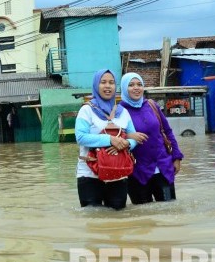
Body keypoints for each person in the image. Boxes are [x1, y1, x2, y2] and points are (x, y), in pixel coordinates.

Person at [74, 69, 138, 210]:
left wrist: (126, 144)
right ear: (96, 85)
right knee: (93, 218)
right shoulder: (86, 110)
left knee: (118, 219)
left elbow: (133, 138)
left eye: (111, 82)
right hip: (89, 174)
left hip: (118, 174)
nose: (107, 86)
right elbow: (80, 137)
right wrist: (110, 140)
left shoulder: (123, 112)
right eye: (103, 82)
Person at [120, 72, 183, 204]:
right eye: (131, 85)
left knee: (169, 211)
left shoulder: (152, 105)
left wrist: (176, 157)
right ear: (124, 88)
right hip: (137, 172)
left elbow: (167, 131)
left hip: (163, 167)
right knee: (144, 216)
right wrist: (128, 135)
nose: (136, 88)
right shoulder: (120, 111)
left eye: (139, 84)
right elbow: (114, 137)